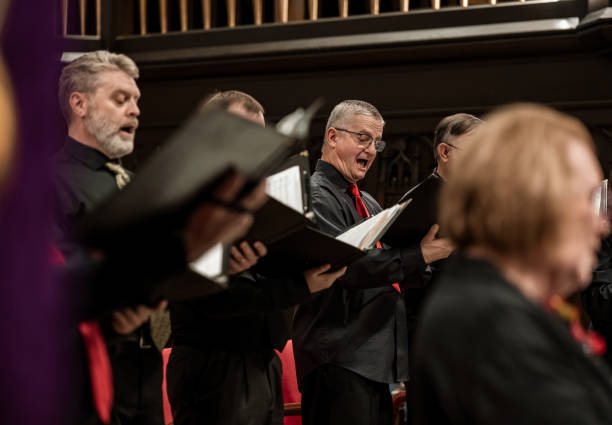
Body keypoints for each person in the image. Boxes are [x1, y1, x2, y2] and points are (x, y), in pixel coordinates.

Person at [413, 103, 612, 425]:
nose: (601, 224)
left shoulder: (501, 301)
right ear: (530, 202)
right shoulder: (486, 319)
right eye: (586, 198)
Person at [166, 90, 347, 425]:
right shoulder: (189, 195)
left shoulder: (249, 193)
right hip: (214, 364)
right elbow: (213, 299)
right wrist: (301, 285)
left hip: (261, 356)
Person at [292, 100, 453, 425]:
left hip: (374, 358)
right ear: (333, 136)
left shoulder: (367, 201)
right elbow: (347, 266)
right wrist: (420, 254)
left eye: (376, 142)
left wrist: (424, 254)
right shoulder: (314, 195)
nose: (373, 149)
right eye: (362, 138)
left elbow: (389, 268)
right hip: (337, 356)